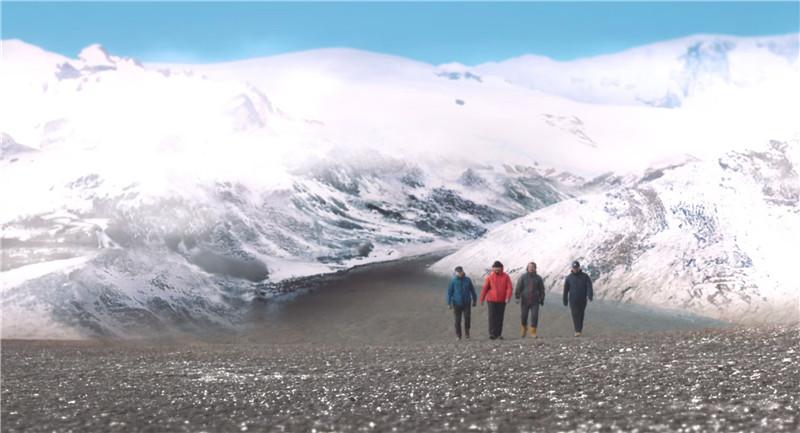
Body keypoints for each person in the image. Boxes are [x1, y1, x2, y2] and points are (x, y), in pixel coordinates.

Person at [480, 260, 513, 340]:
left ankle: (498, 334)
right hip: (491, 300)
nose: (497, 269)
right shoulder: (490, 277)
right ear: (493, 268)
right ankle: (492, 334)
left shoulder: (506, 277)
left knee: (500, 317)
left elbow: (509, 288)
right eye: (495, 268)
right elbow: (485, 288)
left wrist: (508, 297)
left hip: (502, 300)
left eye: (498, 268)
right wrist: (482, 299)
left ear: (501, 268)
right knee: (492, 317)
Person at [446, 266, 478, 340]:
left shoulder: (467, 280)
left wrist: (474, 300)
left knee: (467, 318)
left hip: (467, 302)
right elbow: (449, 292)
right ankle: (458, 335)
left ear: (463, 271)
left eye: (460, 271)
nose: (459, 273)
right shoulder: (453, 281)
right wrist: (448, 303)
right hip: (457, 303)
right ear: (455, 273)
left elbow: (472, 290)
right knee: (458, 320)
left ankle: (467, 333)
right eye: (458, 272)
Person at [563, 260, 593, 337]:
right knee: (575, 314)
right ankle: (577, 331)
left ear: (579, 267)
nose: (575, 269)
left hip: (582, 299)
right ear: (572, 268)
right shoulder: (569, 278)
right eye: (574, 268)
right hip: (573, 300)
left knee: (581, 314)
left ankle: (579, 330)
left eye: (576, 267)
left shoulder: (585, 276)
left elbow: (589, 286)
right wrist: (565, 300)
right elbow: (566, 290)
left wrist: (590, 295)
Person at [515, 262, 545, 338]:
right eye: (530, 267)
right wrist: (517, 296)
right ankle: (524, 328)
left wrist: (542, 298)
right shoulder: (523, 277)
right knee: (523, 316)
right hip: (525, 300)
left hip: (535, 301)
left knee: (534, 316)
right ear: (527, 268)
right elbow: (519, 287)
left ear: (535, 268)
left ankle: (533, 332)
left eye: (533, 267)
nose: (531, 268)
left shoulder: (538, 278)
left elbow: (542, 289)